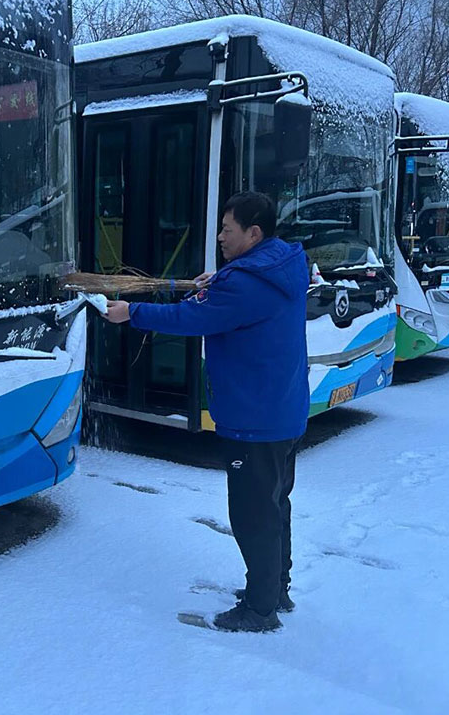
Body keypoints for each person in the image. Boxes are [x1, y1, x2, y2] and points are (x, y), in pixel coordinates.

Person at [103, 191, 309, 633]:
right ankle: (275, 590)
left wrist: (131, 312)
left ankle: (260, 611)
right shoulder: (282, 264)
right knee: (274, 506)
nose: (219, 236)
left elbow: (189, 319)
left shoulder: (244, 284)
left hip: (254, 420)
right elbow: (242, 295)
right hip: (283, 411)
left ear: (254, 233)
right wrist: (225, 278)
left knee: (253, 517)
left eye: (227, 230)